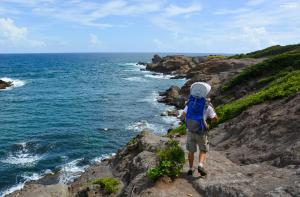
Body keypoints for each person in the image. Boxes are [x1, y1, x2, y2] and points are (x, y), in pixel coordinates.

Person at [180, 82, 218, 176]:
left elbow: (182, 116)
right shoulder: (207, 105)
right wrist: (209, 122)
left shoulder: (190, 103)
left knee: (191, 151)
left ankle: (190, 168)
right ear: (205, 93)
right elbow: (215, 119)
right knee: (203, 149)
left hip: (190, 131)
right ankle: (200, 165)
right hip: (201, 131)